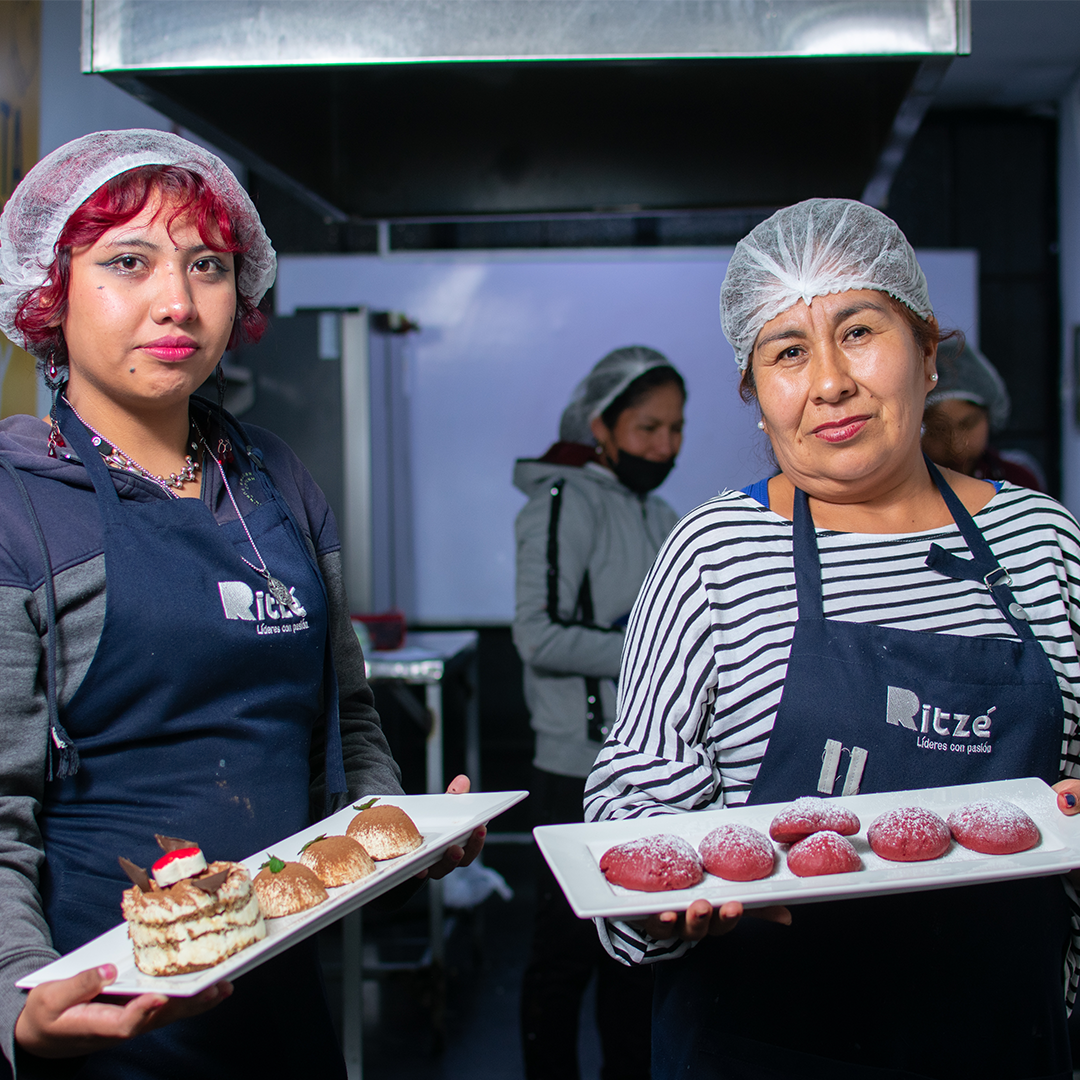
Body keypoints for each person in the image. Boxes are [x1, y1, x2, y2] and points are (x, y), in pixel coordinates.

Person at [0, 129, 482, 1079]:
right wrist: (16, 992)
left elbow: (342, 714)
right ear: (52, 292)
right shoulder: (17, 508)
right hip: (100, 1010)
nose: (176, 301)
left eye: (207, 265)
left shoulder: (274, 479)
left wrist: (397, 835)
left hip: (283, 993)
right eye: (126, 263)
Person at [585, 199, 1080, 1080]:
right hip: (763, 1040)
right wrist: (668, 902)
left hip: (1003, 1038)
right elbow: (632, 802)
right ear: (754, 390)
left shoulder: (1043, 542)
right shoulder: (715, 554)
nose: (828, 383)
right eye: (786, 351)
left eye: (858, 331)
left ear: (930, 350)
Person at [514, 347, 684, 1080]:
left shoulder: (663, 511)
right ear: (601, 426)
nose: (664, 446)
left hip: (655, 770)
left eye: (676, 429)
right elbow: (538, 634)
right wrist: (660, 651)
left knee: (639, 955)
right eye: (648, 428)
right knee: (565, 956)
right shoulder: (561, 499)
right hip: (576, 767)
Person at [921, 338, 1045, 490]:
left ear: (988, 414)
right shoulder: (904, 493)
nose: (956, 446)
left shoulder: (1018, 480)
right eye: (939, 431)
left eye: (968, 424)